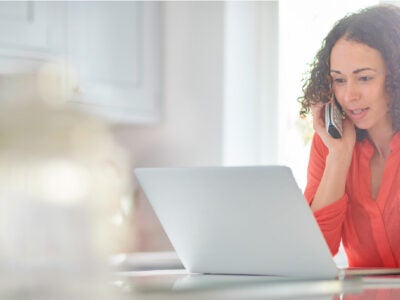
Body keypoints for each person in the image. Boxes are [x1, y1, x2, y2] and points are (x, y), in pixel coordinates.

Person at [299, 4, 400, 268]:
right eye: (339, 80)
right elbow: (313, 253)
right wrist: (339, 157)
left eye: (364, 78)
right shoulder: (331, 145)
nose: (349, 95)